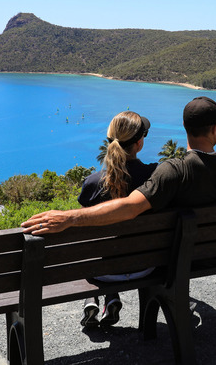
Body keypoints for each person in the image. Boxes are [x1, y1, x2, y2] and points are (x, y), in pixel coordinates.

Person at [21, 96, 216, 323]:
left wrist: (69, 218)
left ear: (186, 128)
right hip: (208, 256)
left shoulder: (172, 173)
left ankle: (98, 300)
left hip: (166, 261)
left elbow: (130, 207)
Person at [77, 111, 158, 327]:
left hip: (104, 274)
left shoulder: (93, 184)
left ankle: (100, 298)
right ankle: (110, 298)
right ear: (139, 143)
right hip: (146, 266)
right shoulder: (155, 177)